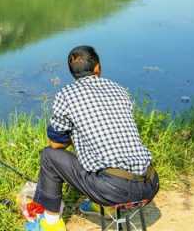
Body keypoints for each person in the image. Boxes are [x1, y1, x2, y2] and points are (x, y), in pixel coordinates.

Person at [25, 46, 159, 231]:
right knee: (107, 161)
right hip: (150, 184)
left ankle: (51, 224)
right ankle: (100, 205)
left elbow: (55, 144)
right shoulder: (119, 90)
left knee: (49, 156)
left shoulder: (67, 94)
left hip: (113, 190)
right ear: (98, 67)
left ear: (72, 73)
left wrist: (76, 135)